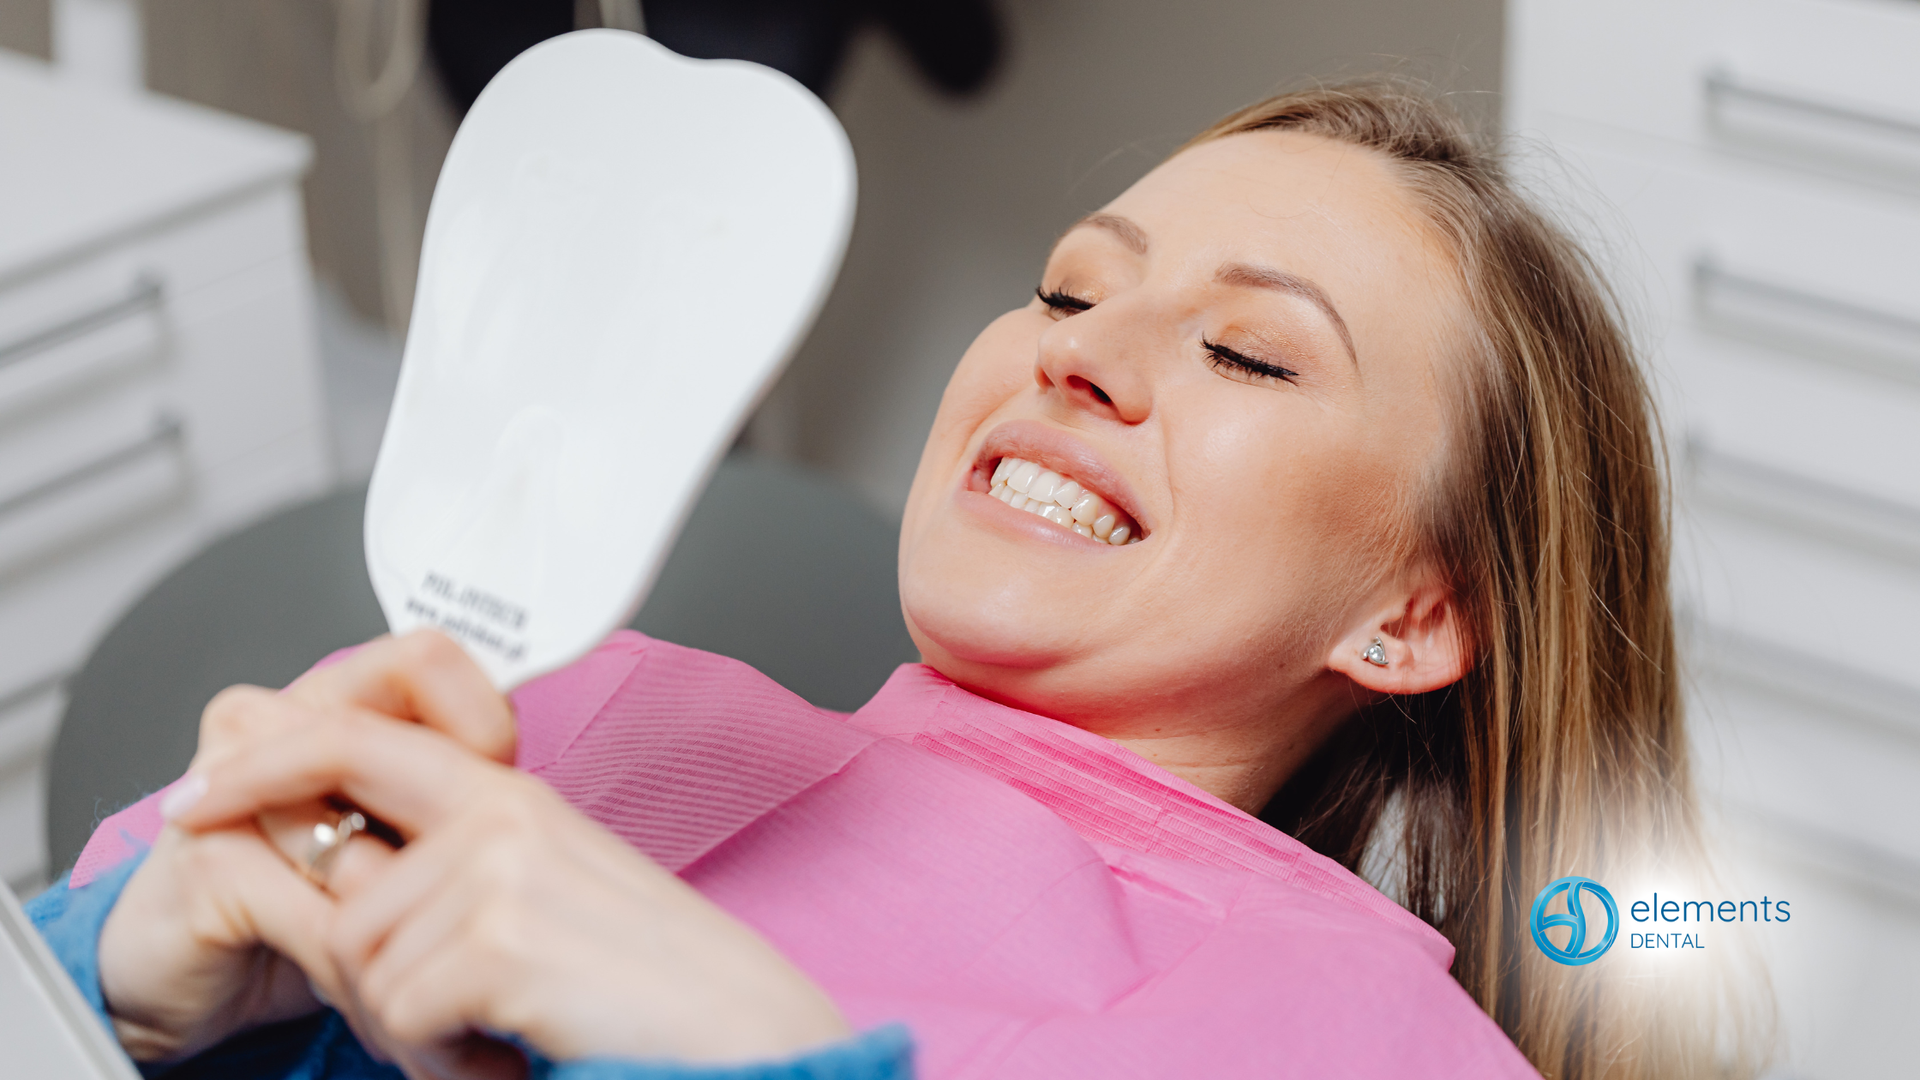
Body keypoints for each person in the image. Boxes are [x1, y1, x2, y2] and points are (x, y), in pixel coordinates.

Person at [31, 81, 1765, 1080]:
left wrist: (761, 1049)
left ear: (1414, 613)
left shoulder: (1367, 1038)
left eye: (1249, 353)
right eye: (1071, 290)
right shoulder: (547, 699)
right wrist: (108, 980)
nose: (1075, 356)